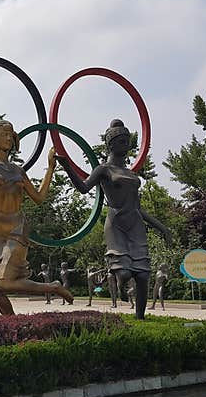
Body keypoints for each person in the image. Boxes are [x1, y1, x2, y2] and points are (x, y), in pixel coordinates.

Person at [0, 118, 72, 315]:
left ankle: (52, 287)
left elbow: (39, 197)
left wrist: (50, 168)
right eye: (4, 134)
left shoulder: (18, 170)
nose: (9, 138)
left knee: (5, 282)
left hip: (17, 226)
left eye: (11, 134)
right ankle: (11, 323)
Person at [57, 119, 172, 319]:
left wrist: (163, 228)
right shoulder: (104, 170)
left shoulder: (130, 173)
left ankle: (140, 318)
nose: (125, 145)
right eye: (121, 141)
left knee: (143, 275)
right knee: (125, 273)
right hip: (116, 223)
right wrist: (67, 166)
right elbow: (84, 188)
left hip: (135, 224)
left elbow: (138, 208)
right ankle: (117, 281)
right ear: (110, 144)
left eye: (127, 141)